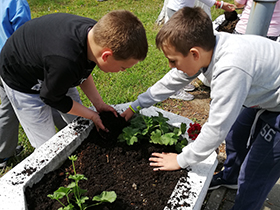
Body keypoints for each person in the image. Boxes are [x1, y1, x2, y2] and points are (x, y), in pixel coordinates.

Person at [121, 7, 280, 210]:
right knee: (236, 134)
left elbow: (216, 128)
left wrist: (180, 160)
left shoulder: (230, 68)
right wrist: (135, 106)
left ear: (194, 53)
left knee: (255, 173)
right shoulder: (209, 46)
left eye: (173, 60)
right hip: (267, 91)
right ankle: (231, 177)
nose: (171, 66)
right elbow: (173, 80)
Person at [0, 10, 148, 151]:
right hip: (21, 77)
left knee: (77, 119)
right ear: (106, 56)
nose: (123, 71)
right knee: (48, 146)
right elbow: (50, 97)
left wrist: (99, 105)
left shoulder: (96, 37)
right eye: (123, 67)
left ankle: (72, 142)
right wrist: (91, 115)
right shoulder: (66, 62)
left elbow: (82, 71)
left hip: (52, 65)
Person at [0, 0, 82, 168]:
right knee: (25, 104)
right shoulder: (16, 2)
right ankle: (3, 153)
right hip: (20, 65)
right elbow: (23, 33)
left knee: (10, 107)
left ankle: (4, 151)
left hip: (8, 64)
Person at [166, 0, 235, 101]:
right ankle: (173, 89)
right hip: (178, 11)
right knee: (182, 51)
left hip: (179, 10)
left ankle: (180, 83)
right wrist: (220, 4)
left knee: (185, 49)